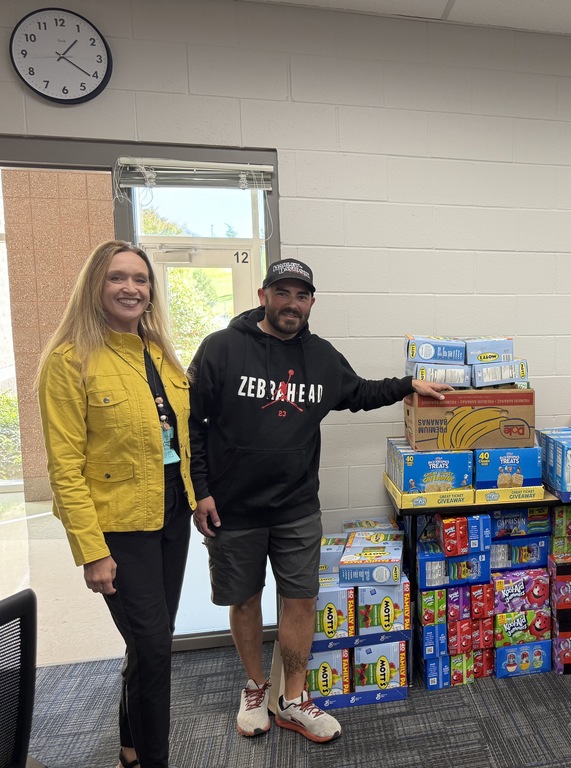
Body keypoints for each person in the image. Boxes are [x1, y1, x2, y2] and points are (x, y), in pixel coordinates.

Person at [188, 259, 451, 744]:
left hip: (296, 508)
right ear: (264, 294)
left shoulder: (322, 357)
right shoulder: (221, 349)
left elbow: (361, 392)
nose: (292, 303)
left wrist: (408, 384)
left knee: (302, 601)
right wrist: (199, 490)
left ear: (312, 302)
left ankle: (293, 698)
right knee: (244, 601)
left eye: (301, 295)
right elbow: (195, 425)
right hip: (233, 508)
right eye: (283, 292)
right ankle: (253, 688)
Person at [37, 240, 194, 768]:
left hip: (172, 519)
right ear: (95, 287)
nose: (131, 288)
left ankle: (130, 746)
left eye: (141, 279)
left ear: (151, 293)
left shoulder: (161, 354)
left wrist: (200, 499)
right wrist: (91, 550)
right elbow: (65, 467)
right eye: (116, 278)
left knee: (149, 645)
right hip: (120, 530)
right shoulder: (68, 361)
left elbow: (179, 441)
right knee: (154, 651)